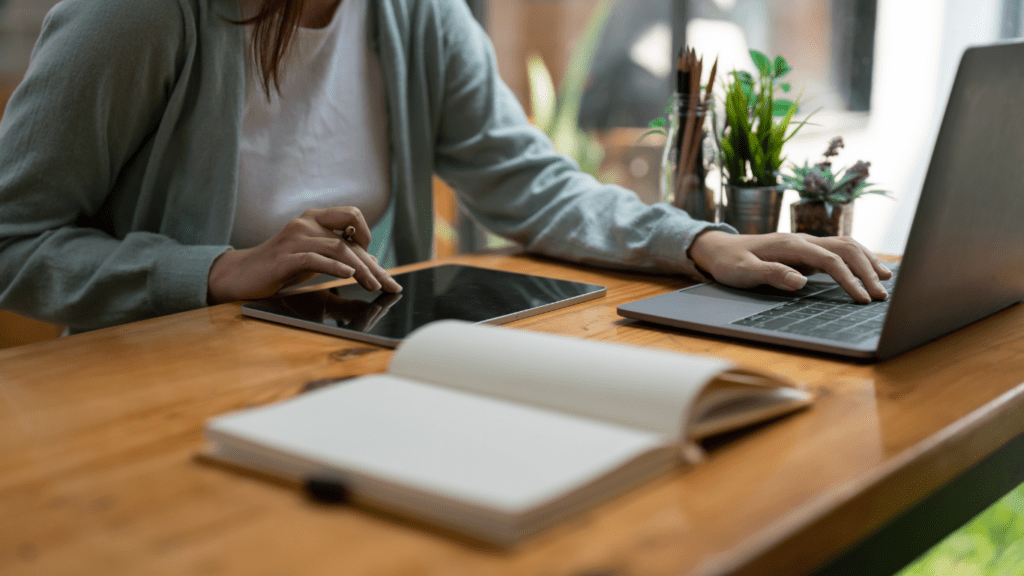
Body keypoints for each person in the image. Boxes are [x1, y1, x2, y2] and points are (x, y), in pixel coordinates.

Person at [0, 0, 890, 334]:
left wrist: (698, 241)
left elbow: (531, 182)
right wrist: (222, 271)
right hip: (156, 393)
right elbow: (14, 243)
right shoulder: (140, 17)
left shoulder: (415, 17)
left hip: (338, 374)